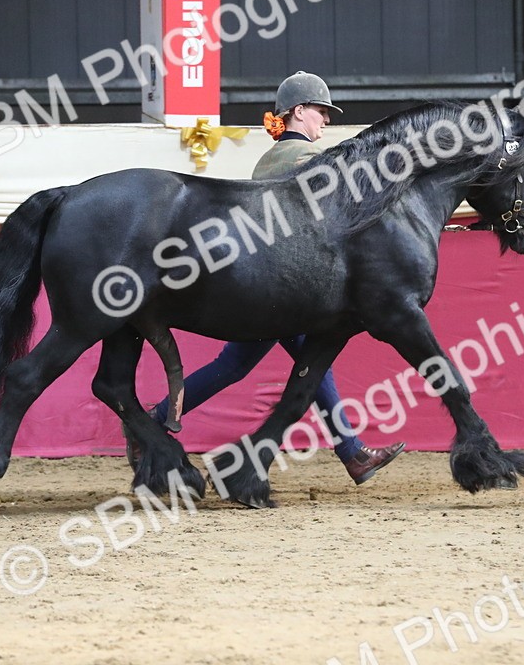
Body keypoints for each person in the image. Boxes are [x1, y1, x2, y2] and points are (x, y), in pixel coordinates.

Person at [145, 71, 405, 485]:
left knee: (239, 366)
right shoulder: (300, 159)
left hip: (268, 285)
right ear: (298, 112)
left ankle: (157, 418)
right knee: (303, 365)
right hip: (288, 288)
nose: (326, 121)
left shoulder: (270, 160)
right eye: (321, 112)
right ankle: (353, 453)